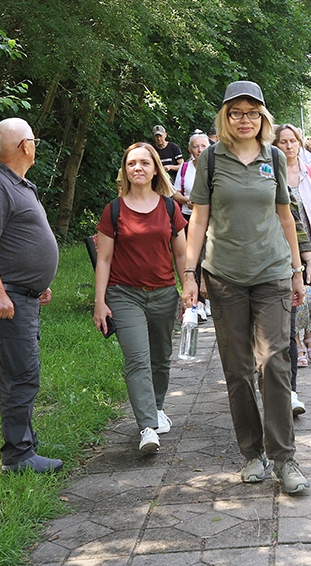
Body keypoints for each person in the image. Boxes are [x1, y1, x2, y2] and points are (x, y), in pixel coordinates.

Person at [181, 81, 311, 494]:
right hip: (224, 279)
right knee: (237, 371)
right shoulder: (211, 162)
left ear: (263, 117)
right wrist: (190, 273)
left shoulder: (273, 156)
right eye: (236, 112)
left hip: (272, 273)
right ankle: (251, 453)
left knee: (274, 362)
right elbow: (198, 220)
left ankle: (284, 459)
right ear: (225, 116)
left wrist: (296, 269)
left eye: (252, 113)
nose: (244, 119)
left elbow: (286, 217)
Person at [0, 118, 61, 474]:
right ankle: (18, 456)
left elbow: (16, 242)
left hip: (22, 296)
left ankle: (26, 445)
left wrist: (36, 283)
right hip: (6, 302)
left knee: (23, 373)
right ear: (25, 146)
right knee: (20, 376)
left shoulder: (19, 185)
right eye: (34, 140)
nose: (35, 146)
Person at [93, 143, 187, 453]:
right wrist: (100, 301)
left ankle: (157, 408)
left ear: (155, 169)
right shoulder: (114, 210)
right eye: (132, 163)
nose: (138, 168)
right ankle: (147, 427)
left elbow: (182, 253)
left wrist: (189, 287)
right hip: (124, 295)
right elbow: (103, 259)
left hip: (163, 295)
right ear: (125, 170)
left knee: (160, 359)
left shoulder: (170, 208)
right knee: (137, 360)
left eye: (145, 163)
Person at [275, 123, 311, 372]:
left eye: (293, 141)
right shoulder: (272, 174)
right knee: (293, 295)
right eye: (283, 142)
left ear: (299, 143)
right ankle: (297, 341)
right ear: (275, 145)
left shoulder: (310, 172)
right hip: (283, 247)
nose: (289, 146)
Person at [173, 131, 212, 318]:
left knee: (210, 256)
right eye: (196, 146)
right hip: (189, 217)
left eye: (203, 146)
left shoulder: (216, 165)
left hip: (213, 218)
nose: (200, 150)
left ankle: (212, 296)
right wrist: (186, 201)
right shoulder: (185, 168)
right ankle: (198, 302)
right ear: (190, 150)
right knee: (193, 257)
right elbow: (175, 192)